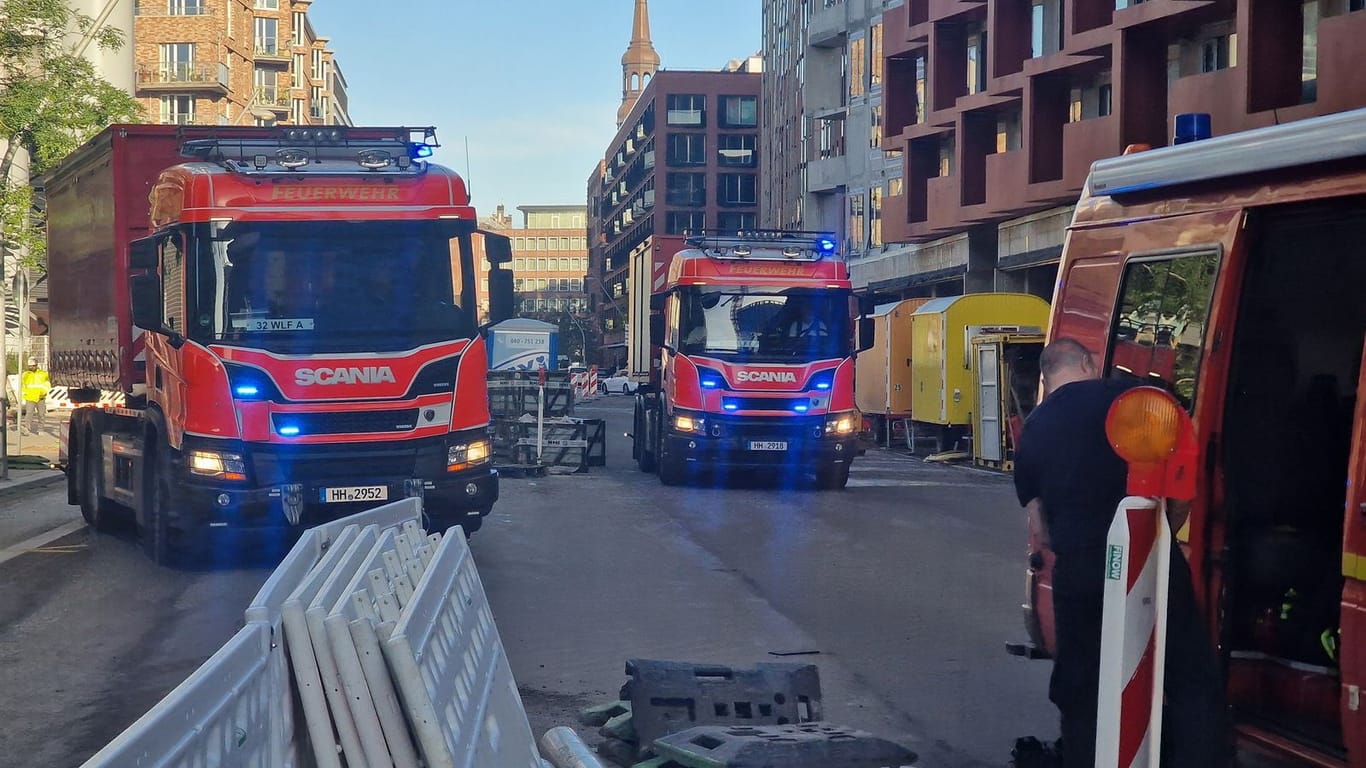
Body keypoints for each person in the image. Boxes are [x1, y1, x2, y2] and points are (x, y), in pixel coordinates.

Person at [1012, 337, 1230, 768]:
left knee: (1080, 684)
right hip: (1151, 563)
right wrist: (1156, 539)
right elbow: (1182, 491)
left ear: (1046, 377)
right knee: (1189, 675)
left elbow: (1041, 528)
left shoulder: (1034, 428)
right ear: (1090, 363)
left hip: (1080, 571)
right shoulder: (1143, 402)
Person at [20, 357, 50, 435]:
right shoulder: (25, 375)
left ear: (36, 365)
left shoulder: (43, 374)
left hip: (41, 397)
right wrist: (24, 394)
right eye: (29, 366)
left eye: (33, 366)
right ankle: (27, 429)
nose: (31, 367)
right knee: (29, 413)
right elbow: (22, 385)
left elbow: (47, 384)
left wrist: (44, 392)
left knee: (41, 414)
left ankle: (40, 429)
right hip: (30, 397)